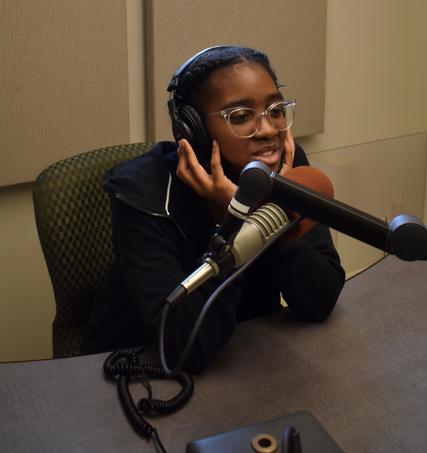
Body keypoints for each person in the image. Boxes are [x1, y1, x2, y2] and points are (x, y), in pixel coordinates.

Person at [81, 46, 345, 372]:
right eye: (241, 116)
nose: (268, 130)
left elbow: (319, 300)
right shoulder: (141, 192)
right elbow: (184, 348)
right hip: (133, 370)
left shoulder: (285, 169)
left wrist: (269, 210)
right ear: (195, 131)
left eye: (275, 109)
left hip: (246, 354)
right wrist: (232, 221)